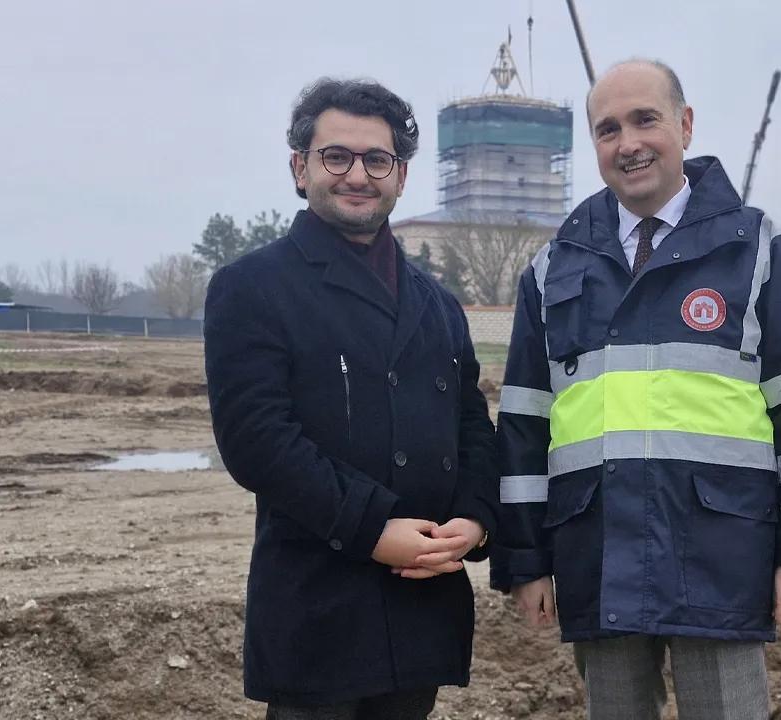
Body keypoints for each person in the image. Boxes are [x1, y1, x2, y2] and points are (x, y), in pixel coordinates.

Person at [490, 59, 781, 720]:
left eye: (644, 120)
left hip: (720, 549)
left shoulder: (759, 250)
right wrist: (526, 561)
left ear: (684, 125)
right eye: (607, 129)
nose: (628, 142)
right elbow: (523, 425)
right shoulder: (553, 269)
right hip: (596, 551)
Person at [204, 78, 498, 720]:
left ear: (400, 176)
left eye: (377, 160)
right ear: (299, 167)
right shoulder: (253, 288)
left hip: (420, 600)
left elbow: (472, 425)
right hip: (318, 609)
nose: (357, 175)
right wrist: (373, 531)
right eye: (336, 156)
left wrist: (475, 522)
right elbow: (258, 441)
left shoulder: (437, 304)